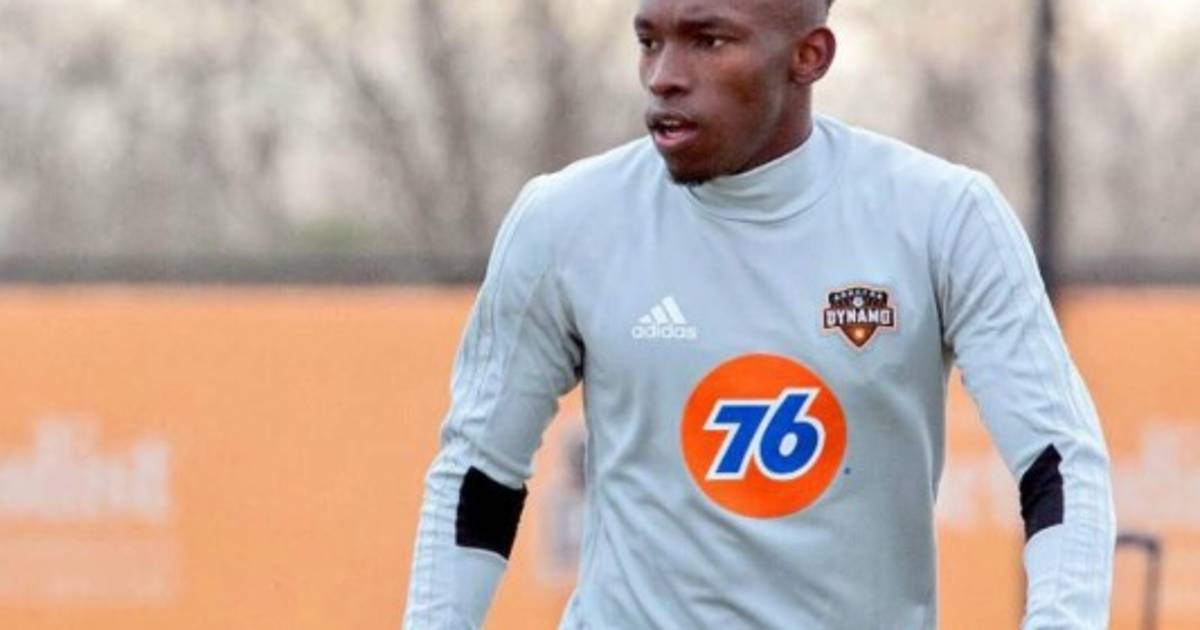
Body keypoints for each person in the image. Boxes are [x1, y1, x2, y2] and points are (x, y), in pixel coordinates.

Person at [404, 0, 1115, 627]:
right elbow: (479, 472)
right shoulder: (565, 221)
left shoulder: (944, 217)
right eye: (649, 41)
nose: (664, 77)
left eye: (708, 41)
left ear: (809, 56)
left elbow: (1060, 463)